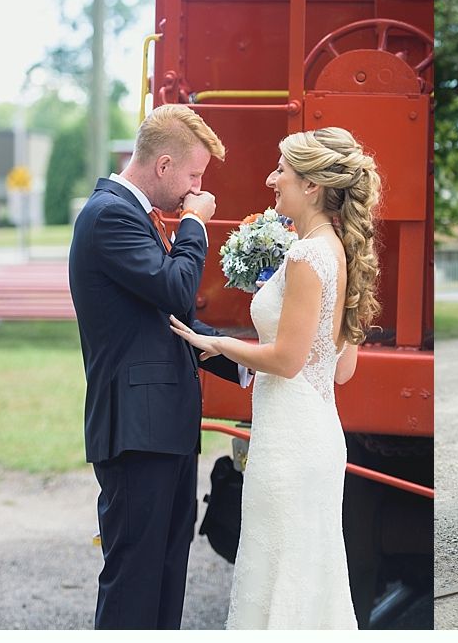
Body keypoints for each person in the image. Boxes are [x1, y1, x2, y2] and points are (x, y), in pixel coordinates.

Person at [171, 127, 381, 629]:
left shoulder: (307, 256)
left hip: (289, 440)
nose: (272, 179)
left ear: (310, 185)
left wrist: (216, 344)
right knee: (308, 573)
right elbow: (343, 369)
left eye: (281, 170)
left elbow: (287, 361)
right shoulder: (337, 250)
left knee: (278, 569)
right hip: (318, 430)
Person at [69, 103, 245, 629]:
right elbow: (176, 287)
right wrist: (194, 225)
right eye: (193, 175)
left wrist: (244, 361)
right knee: (134, 581)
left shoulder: (135, 216)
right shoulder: (109, 215)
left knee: (167, 575)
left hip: (161, 427)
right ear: (163, 166)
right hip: (136, 431)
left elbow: (170, 320)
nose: (197, 189)